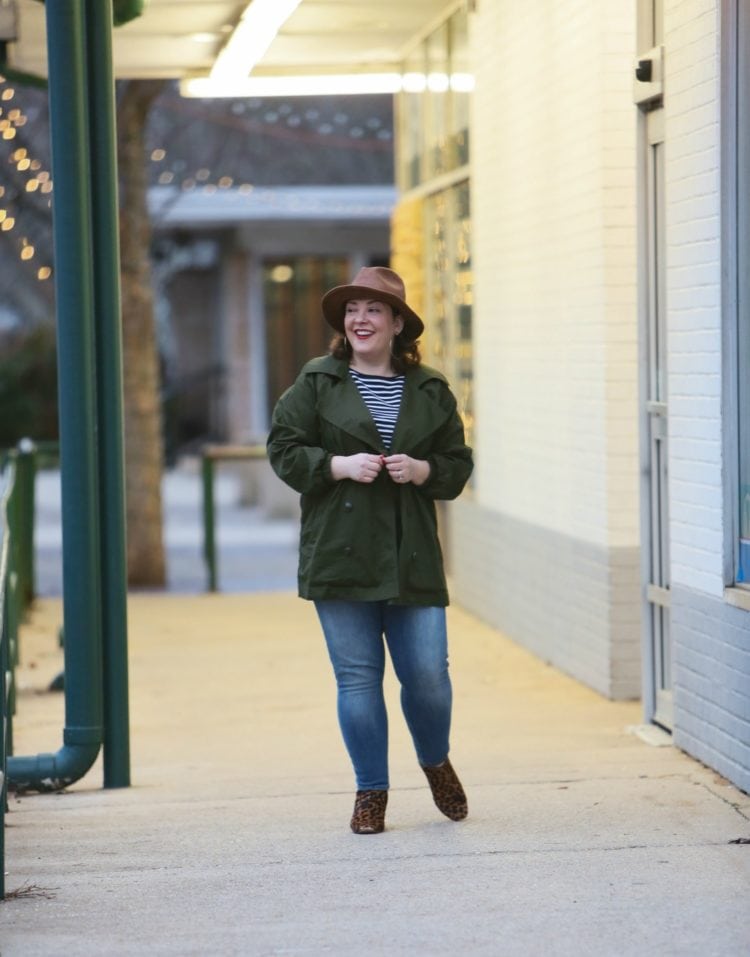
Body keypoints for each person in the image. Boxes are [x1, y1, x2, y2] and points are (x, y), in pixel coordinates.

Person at [267, 266, 473, 835]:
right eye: (353, 310)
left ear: (397, 323)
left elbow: (458, 464)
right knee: (357, 678)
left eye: (374, 310)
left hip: (411, 553)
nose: (360, 319)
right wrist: (336, 465)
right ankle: (371, 792)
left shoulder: (430, 389)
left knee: (429, 675)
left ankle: (434, 759)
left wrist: (424, 468)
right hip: (341, 550)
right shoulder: (316, 382)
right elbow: (283, 449)